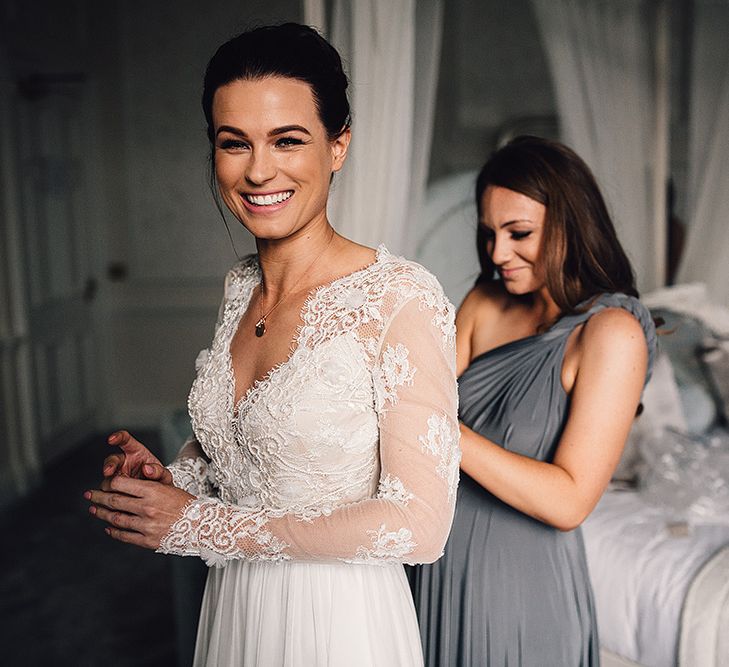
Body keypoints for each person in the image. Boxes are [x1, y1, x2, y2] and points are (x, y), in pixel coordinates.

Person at [85, 23, 459, 666]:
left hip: (340, 624)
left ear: (338, 145)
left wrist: (200, 526)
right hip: (236, 607)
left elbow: (420, 527)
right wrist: (169, 482)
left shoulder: (398, 299)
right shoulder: (238, 289)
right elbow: (243, 460)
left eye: (288, 140)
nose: (259, 170)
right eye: (235, 144)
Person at [408, 135, 656, 666]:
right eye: (490, 234)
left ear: (571, 224)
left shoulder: (611, 333)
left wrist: (443, 430)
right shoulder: (485, 302)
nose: (498, 254)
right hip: (433, 572)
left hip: (519, 592)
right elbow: (408, 404)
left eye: (519, 233)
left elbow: (568, 501)